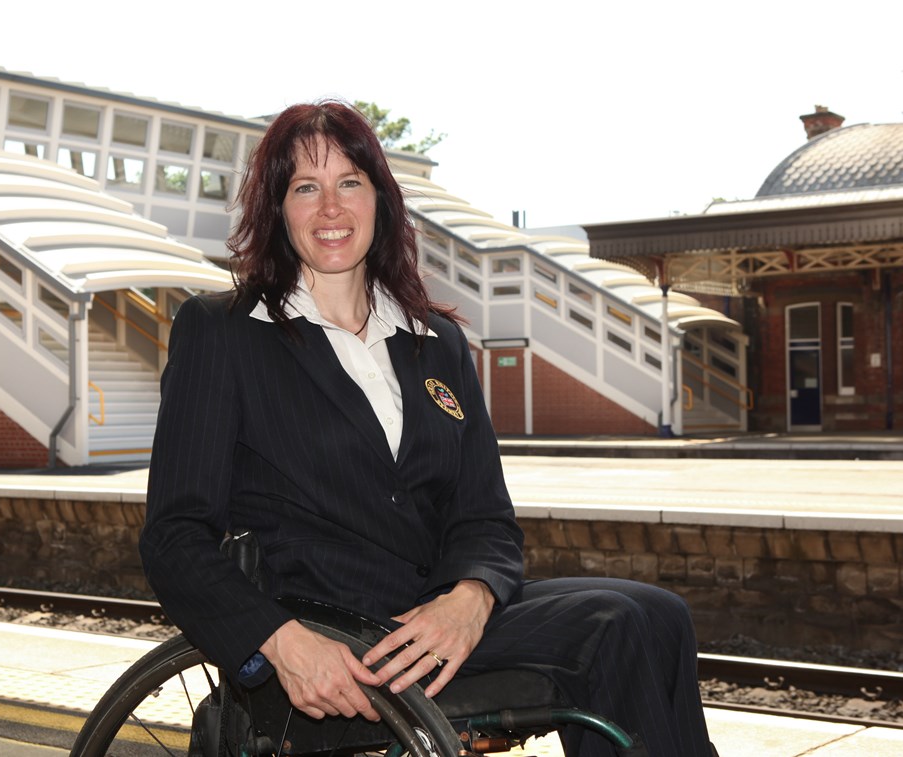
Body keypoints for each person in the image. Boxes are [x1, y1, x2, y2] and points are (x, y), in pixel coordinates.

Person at [140, 99, 715, 756]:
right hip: (331, 641)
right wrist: (277, 640)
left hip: (431, 626)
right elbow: (174, 535)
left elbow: (485, 517)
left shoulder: (435, 341)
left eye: (348, 183)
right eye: (306, 188)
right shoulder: (224, 333)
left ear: (379, 201)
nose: (331, 208)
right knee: (616, 626)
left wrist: (470, 596)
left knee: (661, 613)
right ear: (277, 209)